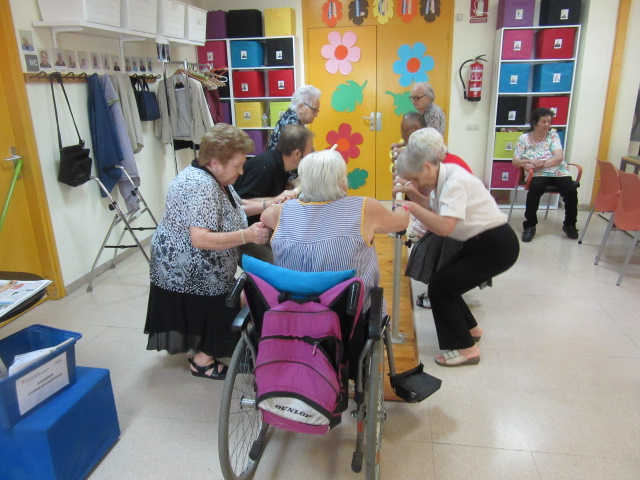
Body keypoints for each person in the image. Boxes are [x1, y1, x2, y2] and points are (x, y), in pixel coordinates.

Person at [261, 149, 410, 369]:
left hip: (292, 311)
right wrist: (402, 206)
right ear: (341, 181)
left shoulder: (280, 213)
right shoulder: (365, 208)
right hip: (346, 315)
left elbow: (265, 215)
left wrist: (287, 200)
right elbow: (400, 223)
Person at [144, 123, 270, 380]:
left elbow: (235, 208)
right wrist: (247, 235)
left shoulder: (216, 178)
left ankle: (211, 347)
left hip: (203, 262)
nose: (241, 171)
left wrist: (269, 204)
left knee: (232, 295)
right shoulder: (199, 185)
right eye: (237, 166)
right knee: (222, 301)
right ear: (215, 163)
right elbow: (200, 239)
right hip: (185, 267)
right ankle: (202, 362)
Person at [395, 128, 519, 367]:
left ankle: (466, 349)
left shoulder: (454, 181)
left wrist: (411, 208)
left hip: (496, 245)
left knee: (441, 289)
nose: (417, 184)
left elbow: (444, 227)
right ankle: (471, 330)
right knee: (442, 282)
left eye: (416, 179)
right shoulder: (444, 176)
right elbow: (433, 208)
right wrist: (411, 193)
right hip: (480, 242)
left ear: (427, 167)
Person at [392, 112, 474, 309]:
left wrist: (411, 195)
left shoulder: (451, 170)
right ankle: (440, 290)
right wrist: (410, 190)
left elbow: (438, 212)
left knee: (427, 248)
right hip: (455, 220)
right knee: (425, 242)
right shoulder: (444, 162)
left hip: (463, 227)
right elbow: (433, 203)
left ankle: (441, 292)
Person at [234, 125, 314, 265]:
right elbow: (239, 204)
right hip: (245, 235)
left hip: (264, 230)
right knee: (277, 267)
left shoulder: (281, 165)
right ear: (297, 153)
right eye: (310, 150)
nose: (313, 152)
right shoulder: (265, 166)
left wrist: (292, 185)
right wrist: (275, 200)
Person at [513, 107, 579, 242]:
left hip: (558, 171)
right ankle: (530, 226)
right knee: (535, 189)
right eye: (543, 122)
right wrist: (530, 161)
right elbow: (515, 162)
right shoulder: (523, 138)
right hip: (537, 174)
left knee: (571, 191)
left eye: (549, 122)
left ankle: (569, 225)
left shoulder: (553, 136)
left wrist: (539, 164)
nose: (547, 125)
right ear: (534, 122)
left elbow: (558, 157)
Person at [267, 85, 321, 150]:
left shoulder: (291, 117)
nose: (316, 115)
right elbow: (297, 153)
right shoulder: (291, 124)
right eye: (314, 110)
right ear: (301, 107)